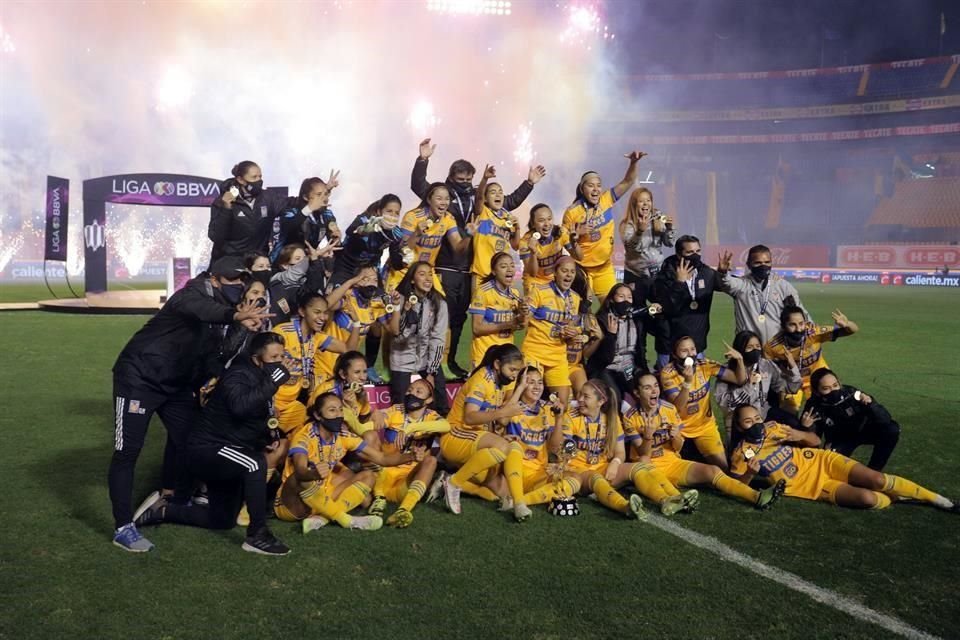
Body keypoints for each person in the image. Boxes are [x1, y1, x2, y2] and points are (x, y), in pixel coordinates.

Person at [109, 256, 270, 552]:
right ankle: (123, 527)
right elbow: (201, 309)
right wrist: (234, 317)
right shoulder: (191, 293)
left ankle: (175, 497)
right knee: (127, 452)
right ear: (213, 279)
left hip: (177, 385)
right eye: (231, 280)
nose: (237, 286)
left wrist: (242, 327)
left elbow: (218, 356)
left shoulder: (229, 311)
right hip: (140, 378)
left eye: (240, 281)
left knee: (195, 441)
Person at [133, 333, 293, 556]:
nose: (280, 362)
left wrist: (268, 437)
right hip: (206, 449)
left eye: (282, 356)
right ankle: (257, 535)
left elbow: (252, 415)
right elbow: (240, 406)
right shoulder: (238, 375)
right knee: (255, 464)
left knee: (222, 520)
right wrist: (274, 381)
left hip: (229, 451)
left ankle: (164, 511)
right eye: (274, 357)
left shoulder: (261, 379)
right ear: (257, 359)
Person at [411, 138, 537, 379]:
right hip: (446, 265)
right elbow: (418, 184)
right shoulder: (443, 196)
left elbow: (508, 202)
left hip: (469, 268)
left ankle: (449, 361)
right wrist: (422, 160)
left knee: (459, 318)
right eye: (460, 181)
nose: (465, 184)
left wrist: (528, 184)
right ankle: (431, 363)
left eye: (469, 180)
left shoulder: (475, 198)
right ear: (450, 179)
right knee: (441, 317)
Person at [729, 405, 958, 512]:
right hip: (812, 487)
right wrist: (750, 473)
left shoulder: (773, 427)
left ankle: (938, 500)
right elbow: (737, 486)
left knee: (877, 479)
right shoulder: (740, 453)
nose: (756, 423)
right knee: (869, 499)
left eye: (757, 417)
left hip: (821, 460)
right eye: (749, 421)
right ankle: (899, 497)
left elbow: (815, 441)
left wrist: (799, 434)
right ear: (739, 426)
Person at [624, 373, 785, 510]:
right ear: (637, 393)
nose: (654, 391)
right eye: (647, 388)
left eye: (656, 386)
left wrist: (676, 437)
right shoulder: (630, 417)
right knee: (644, 460)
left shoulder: (669, 409)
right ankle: (675, 498)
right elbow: (642, 454)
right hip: (649, 468)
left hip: (672, 463)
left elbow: (677, 448)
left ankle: (757, 497)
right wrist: (648, 435)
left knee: (714, 471)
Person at [274, 393, 413, 532]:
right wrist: (313, 474)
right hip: (294, 504)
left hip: (322, 496)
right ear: (318, 415)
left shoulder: (343, 435)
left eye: (340, 409)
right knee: (300, 478)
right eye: (332, 410)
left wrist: (411, 456)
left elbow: (382, 459)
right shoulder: (304, 436)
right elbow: (300, 471)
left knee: (369, 476)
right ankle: (347, 520)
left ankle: (321, 519)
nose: (338, 415)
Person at [527, 379, 651, 517]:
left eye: (585, 396)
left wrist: (615, 463)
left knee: (640, 467)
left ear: (601, 401)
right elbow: (564, 449)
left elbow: (620, 452)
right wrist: (562, 462)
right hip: (578, 471)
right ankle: (625, 506)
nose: (579, 399)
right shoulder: (572, 417)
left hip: (603, 467)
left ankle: (668, 499)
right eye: (579, 395)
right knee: (595, 477)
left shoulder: (612, 418)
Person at [437, 344, 533, 521]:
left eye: (517, 371)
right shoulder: (481, 381)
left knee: (504, 488)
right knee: (503, 446)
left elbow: (502, 421)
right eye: (512, 369)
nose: (514, 374)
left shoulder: (501, 383)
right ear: (497, 364)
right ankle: (454, 483)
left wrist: (520, 388)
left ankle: (518, 503)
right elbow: (470, 418)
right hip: (455, 436)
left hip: (475, 440)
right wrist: (502, 413)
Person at [271, 292, 360, 434]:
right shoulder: (283, 332)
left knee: (301, 433)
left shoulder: (317, 338)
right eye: (317, 312)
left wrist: (356, 324)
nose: (323, 318)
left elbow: (348, 350)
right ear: (302, 311)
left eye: (325, 313)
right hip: (271, 401)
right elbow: (263, 369)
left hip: (292, 405)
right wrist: (269, 404)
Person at [563, 151, 646, 302]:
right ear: (582, 189)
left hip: (604, 268)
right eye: (590, 186)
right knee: (580, 311)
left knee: (612, 309)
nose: (596, 189)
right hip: (581, 270)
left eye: (598, 186)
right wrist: (576, 236)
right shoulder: (571, 213)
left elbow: (628, 181)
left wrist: (633, 162)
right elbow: (568, 245)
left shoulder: (606, 199)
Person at [659, 335, 747, 471]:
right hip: (678, 429)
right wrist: (687, 383)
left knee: (723, 468)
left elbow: (739, 379)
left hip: (704, 426)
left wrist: (740, 359)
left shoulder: (704, 365)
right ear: (675, 354)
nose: (690, 354)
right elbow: (678, 407)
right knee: (673, 467)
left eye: (692, 349)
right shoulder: (667, 373)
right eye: (684, 351)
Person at [375, 379, 449, 527]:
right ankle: (379, 497)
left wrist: (411, 428)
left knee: (431, 461)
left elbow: (445, 425)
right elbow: (376, 420)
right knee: (371, 444)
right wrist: (376, 413)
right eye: (409, 390)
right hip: (385, 475)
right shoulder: (396, 410)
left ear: (428, 400)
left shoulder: (431, 416)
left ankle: (404, 510)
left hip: (409, 479)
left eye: (418, 391)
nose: (412, 394)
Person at [763, 305, 859, 412]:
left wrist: (847, 324)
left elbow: (851, 330)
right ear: (783, 326)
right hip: (792, 381)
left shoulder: (814, 333)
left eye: (801, 323)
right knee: (789, 411)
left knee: (828, 407)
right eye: (792, 325)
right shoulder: (772, 347)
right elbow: (767, 369)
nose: (799, 329)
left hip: (818, 378)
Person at [803, 369, 901, 471]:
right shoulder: (814, 406)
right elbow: (813, 443)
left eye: (835, 385)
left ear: (839, 383)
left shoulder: (851, 393)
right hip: (839, 439)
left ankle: (874, 470)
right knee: (827, 466)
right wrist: (806, 427)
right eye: (826, 388)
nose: (833, 391)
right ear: (817, 391)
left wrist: (871, 404)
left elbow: (885, 419)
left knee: (892, 429)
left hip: (863, 430)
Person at [388, 182, 476, 295]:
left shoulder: (448, 219)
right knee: (397, 305)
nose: (444, 203)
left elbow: (458, 248)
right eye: (439, 198)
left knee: (441, 304)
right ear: (429, 200)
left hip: (428, 272)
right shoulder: (412, 216)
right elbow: (401, 251)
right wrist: (417, 234)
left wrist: (469, 235)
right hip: (405, 270)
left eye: (447, 199)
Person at [389, 261, 450, 415]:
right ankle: (399, 434)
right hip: (402, 360)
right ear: (412, 279)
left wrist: (432, 370)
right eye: (422, 274)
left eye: (430, 274)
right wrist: (406, 314)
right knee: (400, 405)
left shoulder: (439, 303)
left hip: (426, 359)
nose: (428, 278)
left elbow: (438, 339)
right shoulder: (400, 301)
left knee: (440, 397)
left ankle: (439, 433)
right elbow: (398, 337)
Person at [522, 256, 583, 407]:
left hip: (558, 356)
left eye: (572, 272)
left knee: (563, 404)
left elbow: (571, 329)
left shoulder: (575, 299)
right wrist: (522, 312)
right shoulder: (539, 291)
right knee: (528, 398)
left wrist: (572, 334)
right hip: (534, 352)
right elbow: (523, 322)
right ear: (555, 273)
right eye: (564, 271)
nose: (568, 275)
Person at [715, 330, 802, 436]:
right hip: (739, 422)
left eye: (757, 346)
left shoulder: (766, 365)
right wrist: (748, 386)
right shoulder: (726, 371)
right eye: (750, 347)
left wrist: (793, 367)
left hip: (762, 414)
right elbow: (726, 404)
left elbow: (790, 389)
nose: (755, 350)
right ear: (740, 350)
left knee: (794, 424)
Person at [652, 235, 721, 367]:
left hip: (697, 346)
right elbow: (666, 307)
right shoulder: (664, 276)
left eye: (698, 251)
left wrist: (723, 273)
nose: (695, 255)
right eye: (689, 252)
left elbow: (729, 287)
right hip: (668, 347)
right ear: (679, 254)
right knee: (667, 385)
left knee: (697, 386)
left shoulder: (707, 273)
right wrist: (679, 283)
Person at [717, 244, 808, 345]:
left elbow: (801, 315)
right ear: (748, 264)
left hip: (777, 350)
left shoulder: (783, 287)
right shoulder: (742, 285)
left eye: (767, 262)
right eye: (758, 263)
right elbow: (726, 283)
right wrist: (722, 272)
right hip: (748, 350)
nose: (763, 266)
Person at [470, 164, 545, 281]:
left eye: (500, 192)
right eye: (493, 192)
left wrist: (517, 228)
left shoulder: (507, 217)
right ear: (485, 198)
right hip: (482, 273)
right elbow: (479, 197)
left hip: (501, 276)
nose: (498, 194)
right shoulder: (483, 212)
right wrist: (485, 179)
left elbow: (515, 246)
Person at [588, 283, 661, 401]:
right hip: (608, 367)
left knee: (647, 391)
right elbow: (604, 358)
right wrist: (611, 335)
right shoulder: (602, 320)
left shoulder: (637, 319)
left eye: (629, 297)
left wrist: (658, 315)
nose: (626, 301)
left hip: (630, 366)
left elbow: (658, 331)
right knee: (614, 397)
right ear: (611, 299)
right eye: (621, 296)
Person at [318, 265, 392, 381]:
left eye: (374, 280)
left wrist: (397, 307)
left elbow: (393, 330)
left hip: (347, 364)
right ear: (356, 281)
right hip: (325, 361)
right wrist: (350, 282)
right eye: (365, 278)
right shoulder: (347, 297)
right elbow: (325, 305)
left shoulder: (376, 304)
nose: (371, 283)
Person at [208, 161, 288, 262]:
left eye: (260, 177)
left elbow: (289, 203)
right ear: (240, 179)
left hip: (257, 261)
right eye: (254, 177)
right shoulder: (221, 202)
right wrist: (226, 208)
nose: (259, 181)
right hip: (229, 261)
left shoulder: (268, 197)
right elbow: (216, 236)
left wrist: (308, 202)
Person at [469, 252, 527, 369]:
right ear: (494, 271)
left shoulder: (514, 294)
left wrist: (523, 313)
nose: (509, 270)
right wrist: (506, 324)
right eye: (504, 266)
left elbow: (521, 326)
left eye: (511, 265)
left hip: (507, 357)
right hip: (484, 355)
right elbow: (477, 328)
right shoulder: (483, 292)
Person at [330, 194, 403, 288]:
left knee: (379, 300)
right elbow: (349, 231)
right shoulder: (365, 219)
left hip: (370, 272)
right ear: (379, 212)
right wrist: (362, 231)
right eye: (389, 211)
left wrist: (405, 259)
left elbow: (396, 264)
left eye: (397, 213)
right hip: (346, 266)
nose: (393, 216)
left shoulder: (396, 233)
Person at [270, 172, 341, 262]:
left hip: (308, 261)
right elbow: (289, 227)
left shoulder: (326, 214)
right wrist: (309, 208)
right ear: (305, 197)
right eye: (319, 194)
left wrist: (335, 238)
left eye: (326, 194)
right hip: (284, 264)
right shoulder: (291, 211)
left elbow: (333, 236)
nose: (324, 198)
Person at [268, 241, 340, 325]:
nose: (303, 261)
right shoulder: (279, 278)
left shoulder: (306, 278)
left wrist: (319, 259)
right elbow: (297, 273)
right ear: (285, 265)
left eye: (304, 257)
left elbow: (315, 286)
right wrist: (312, 257)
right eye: (298, 259)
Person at [620, 187, 675, 290]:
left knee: (664, 304)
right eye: (641, 201)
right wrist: (639, 231)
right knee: (635, 305)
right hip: (636, 275)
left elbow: (670, 243)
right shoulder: (626, 224)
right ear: (634, 204)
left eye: (648, 200)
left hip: (657, 273)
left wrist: (669, 228)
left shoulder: (658, 219)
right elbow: (632, 248)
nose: (645, 204)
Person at [519, 203, 582, 290]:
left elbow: (579, 257)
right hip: (535, 282)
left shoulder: (561, 233)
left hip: (556, 280)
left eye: (549, 219)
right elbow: (533, 273)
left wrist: (574, 242)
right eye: (541, 220)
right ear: (533, 224)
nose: (547, 224)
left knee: (580, 276)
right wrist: (533, 253)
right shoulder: (525, 242)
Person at [565, 265, 602, 396]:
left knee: (585, 395)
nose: (590, 294)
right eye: (587, 288)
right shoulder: (558, 309)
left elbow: (585, 354)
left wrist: (597, 339)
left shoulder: (589, 318)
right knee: (566, 396)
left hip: (575, 366)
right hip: (556, 363)